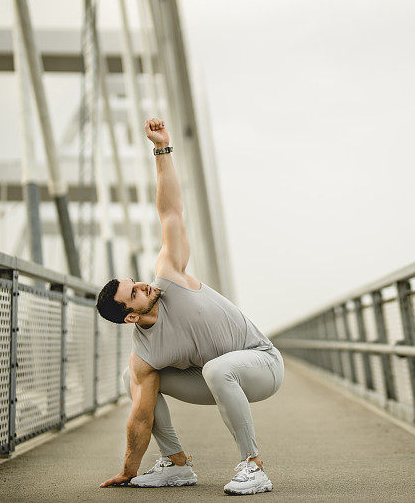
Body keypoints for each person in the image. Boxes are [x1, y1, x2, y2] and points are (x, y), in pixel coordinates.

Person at [96, 118, 283, 495]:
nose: (144, 285)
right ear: (131, 316)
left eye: (135, 283)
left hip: (262, 364)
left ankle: (253, 466)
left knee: (217, 368)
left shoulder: (169, 277)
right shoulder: (145, 352)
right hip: (214, 378)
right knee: (133, 380)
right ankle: (177, 464)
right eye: (135, 293)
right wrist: (128, 470)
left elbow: (171, 213)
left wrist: (161, 149)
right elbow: (141, 416)